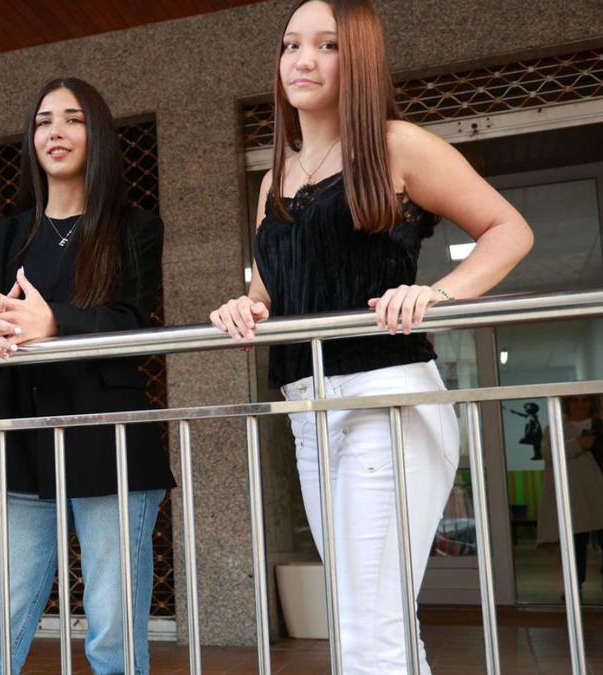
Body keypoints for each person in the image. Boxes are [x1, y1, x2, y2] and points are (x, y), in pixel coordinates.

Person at [209, 1, 533, 672]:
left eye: (327, 45)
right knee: (373, 618)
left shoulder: (396, 145)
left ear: (358, 59)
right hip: (308, 411)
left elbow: (509, 229)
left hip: (386, 396)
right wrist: (245, 307)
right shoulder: (275, 179)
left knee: (366, 626)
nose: (303, 60)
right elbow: (271, 292)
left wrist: (439, 294)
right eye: (291, 45)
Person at [0, 77, 176, 674]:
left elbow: (131, 321)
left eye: (73, 119)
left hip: (110, 442)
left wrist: (53, 322)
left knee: (112, 639)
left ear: (97, 135)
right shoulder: (5, 234)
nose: (55, 131)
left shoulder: (133, 227)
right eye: (43, 120)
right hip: (23, 441)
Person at [536, 394, 603, 604]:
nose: (580, 404)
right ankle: (573, 586)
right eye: (575, 400)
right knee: (574, 544)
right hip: (572, 492)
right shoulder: (554, 427)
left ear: (593, 403)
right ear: (567, 403)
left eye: (585, 400)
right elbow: (547, 454)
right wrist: (578, 444)